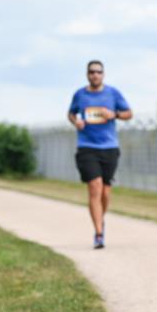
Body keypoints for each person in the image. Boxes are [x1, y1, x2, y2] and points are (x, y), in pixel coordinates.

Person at [67, 60, 132, 248]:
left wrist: (114, 115)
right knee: (94, 187)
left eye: (98, 72)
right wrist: (75, 121)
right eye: (92, 72)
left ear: (103, 74)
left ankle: (99, 219)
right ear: (87, 74)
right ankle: (98, 233)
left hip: (109, 147)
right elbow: (71, 113)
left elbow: (129, 113)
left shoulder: (113, 93)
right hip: (86, 146)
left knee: (105, 191)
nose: (95, 75)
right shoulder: (80, 95)